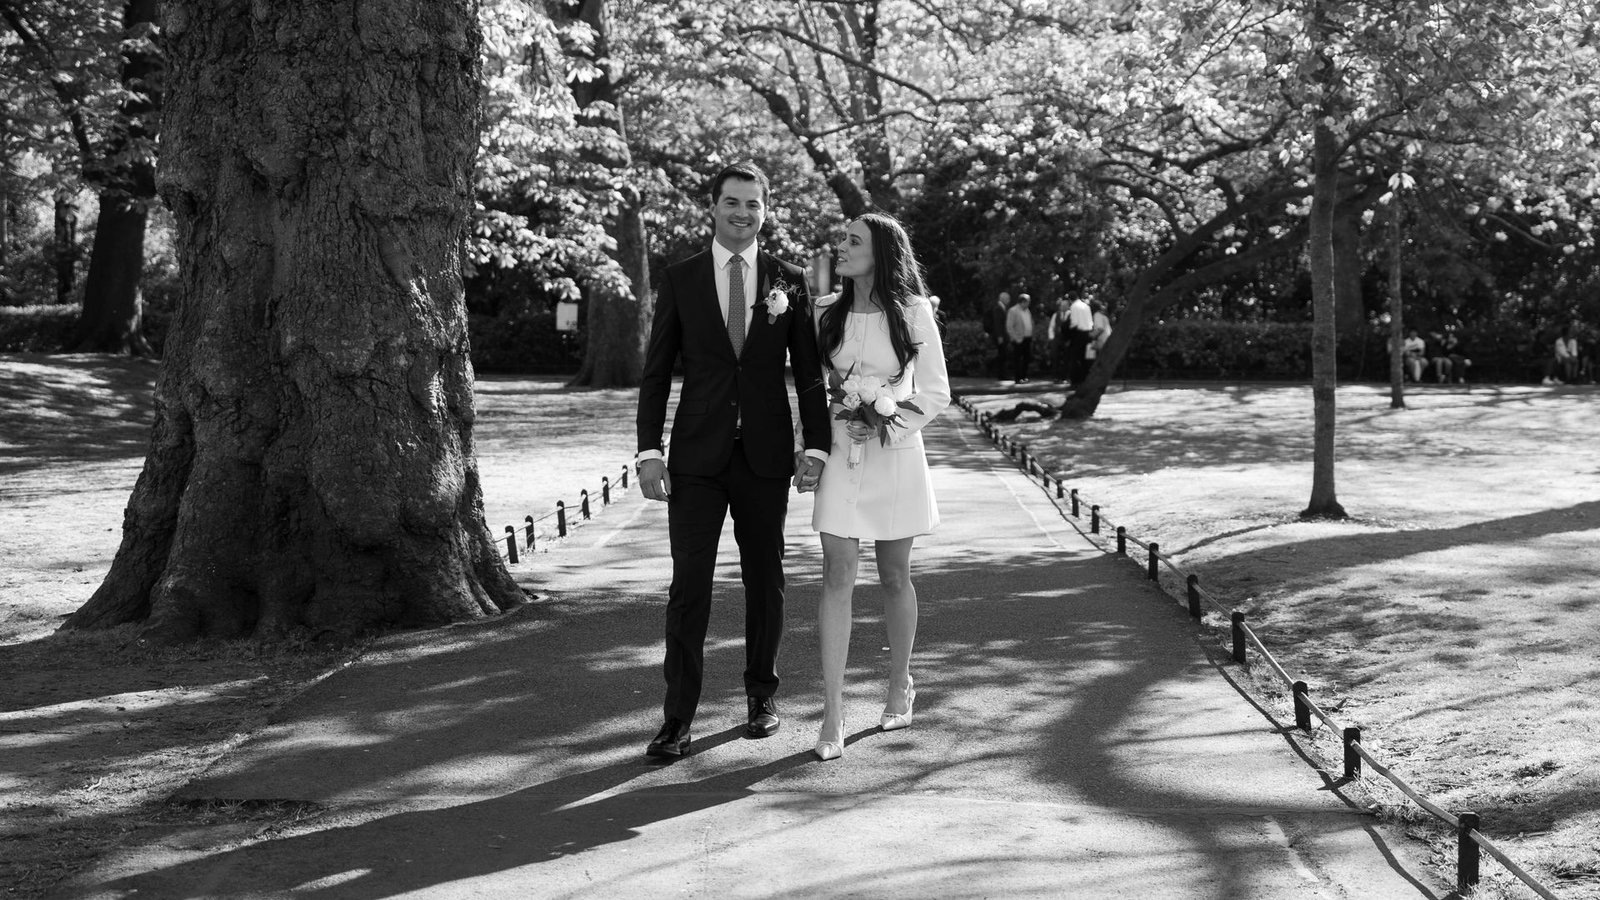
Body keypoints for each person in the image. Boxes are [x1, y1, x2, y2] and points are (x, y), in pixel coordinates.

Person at [634, 161, 833, 759]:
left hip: (766, 456)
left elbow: (809, 377)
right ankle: (677, 719)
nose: (742, 213)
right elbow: (655, 374)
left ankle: (761, 697)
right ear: (712, 207)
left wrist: (816, 447)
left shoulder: (790, 281)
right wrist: (649, 452)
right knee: (688, 587)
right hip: (696, 457)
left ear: (765, 210)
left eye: (753, 203)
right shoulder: (682, 277)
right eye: (732, 203)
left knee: (765, 581)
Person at [808, 211, 951, 762]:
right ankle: (832, 713)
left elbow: (936, 391)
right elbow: (811, 384)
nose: (840, 248)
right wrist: (820, 433)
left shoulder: (913, 312)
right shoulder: (825, 312)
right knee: (836, 575)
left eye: (852, 241)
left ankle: (899, 684)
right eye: (841, 240)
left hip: (894, 455)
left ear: (881, 252)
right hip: (843, 458)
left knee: (894, 576)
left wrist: (886, 417)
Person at [1064, 294, 1094, 386]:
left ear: (1070, 300)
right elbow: (1090, 322)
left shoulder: (1073, 306)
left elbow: (1074, 323)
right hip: (1087, 333)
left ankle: (1075, 380)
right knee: (1085, 358)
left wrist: (1068, 331)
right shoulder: (1086, 306)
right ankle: (1084, 379)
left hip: (1078, 333)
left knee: (1075, 357)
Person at [1006, 292, 1034, 383]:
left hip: (1027, 338)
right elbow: (1009, 326)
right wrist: (1015, 338)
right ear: (1023, 301)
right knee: (1017, 359)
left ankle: (1024, 376)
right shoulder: (1013, 310)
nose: (1029, 303)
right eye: (1028, 301)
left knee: (1026, 358)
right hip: (1018, 339)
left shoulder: (1027, 310)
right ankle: (1018, 378)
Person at [984, 291, 1011, 378]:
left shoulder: (1001, 307)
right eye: (1008, 298)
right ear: (1003, 299)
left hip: (1001, 336)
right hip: (1000, 336)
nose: (1009, 300)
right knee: (1002, 356)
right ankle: (1002, 375)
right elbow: (998, 323)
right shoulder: (998, 308)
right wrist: (1000, 336)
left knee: (1003, 355)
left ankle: (1002, 374)